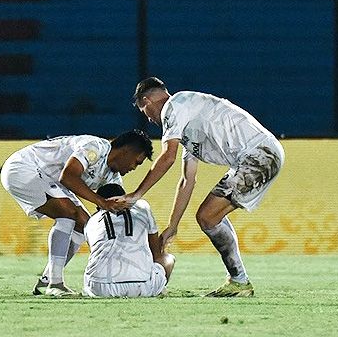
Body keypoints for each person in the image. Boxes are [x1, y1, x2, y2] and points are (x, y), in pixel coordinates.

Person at [113, 77, 284, 297]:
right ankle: (239, 281)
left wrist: (137, 194)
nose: (148, 118)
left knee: (208, 217)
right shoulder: (188, 126)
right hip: (257, 155)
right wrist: (172, 226)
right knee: (209, 217)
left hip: (258, 155)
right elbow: (187, 181)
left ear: (147, 100)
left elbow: (167, 157)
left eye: (144, 111)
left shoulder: (176, 105)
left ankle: (239, 280)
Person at [0, 130, 153, 296]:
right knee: (68, 214)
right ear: (127, 151)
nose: (134, 168)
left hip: (48, 180)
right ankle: (55, 284)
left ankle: (46, 281)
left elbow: (108, 212)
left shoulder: (112, 178)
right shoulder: (95, 148)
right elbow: (68, 176)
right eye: (136, 162)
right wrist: (102, 201)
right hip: (23, 168)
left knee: (84, 225)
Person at [83, 183, 175, 298]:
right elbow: (155, 254)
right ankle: (159, 287)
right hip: (142, 286)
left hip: (99, 288)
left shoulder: (91, 222)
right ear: (125, 198)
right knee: (167, 258)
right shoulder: (143, 207)